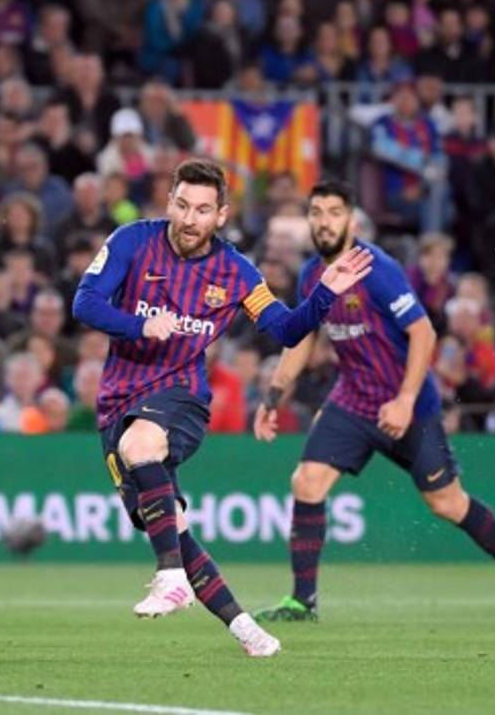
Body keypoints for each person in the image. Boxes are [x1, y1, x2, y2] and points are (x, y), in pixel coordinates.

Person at [72, 158, 374, 657]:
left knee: (140, 444)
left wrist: (323, 294)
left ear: (222, 215)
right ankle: (247, 631)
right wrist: (138, 325)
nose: (190, 219)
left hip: (182, 397)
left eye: (203, 210)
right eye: (183, 205)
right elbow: (85, 302)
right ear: (169, 202)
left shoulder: (235, 272)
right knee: (172, 526)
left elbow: (285, 329)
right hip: (117, 403)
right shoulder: (131, 241)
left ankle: (168, 576)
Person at [252, 180, 495, 624]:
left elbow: (423, 333)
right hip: (353, 399)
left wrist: (405, 401)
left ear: (351, 218)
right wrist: (274, 395)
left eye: (333, 212)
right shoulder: (313, 274)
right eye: (316, 212)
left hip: (409, 405)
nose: (323, 221)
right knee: (306, 482)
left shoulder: (378, 269)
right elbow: (302, 336)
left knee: (446, 503)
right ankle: (302, 601)